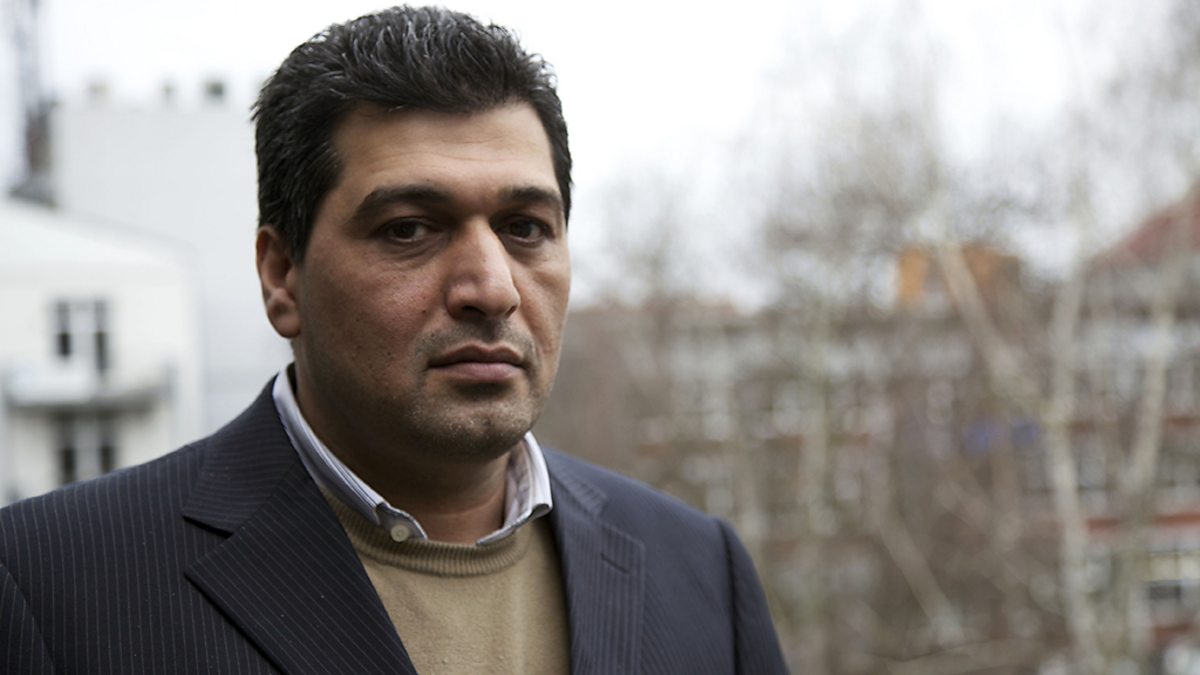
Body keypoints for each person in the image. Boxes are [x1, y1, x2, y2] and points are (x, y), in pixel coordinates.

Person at [0, 6, 788, 674]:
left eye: (525, 228)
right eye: (410, 228)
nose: (493, 288)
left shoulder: (699, 570)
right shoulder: (50, 585)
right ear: (282, 275)